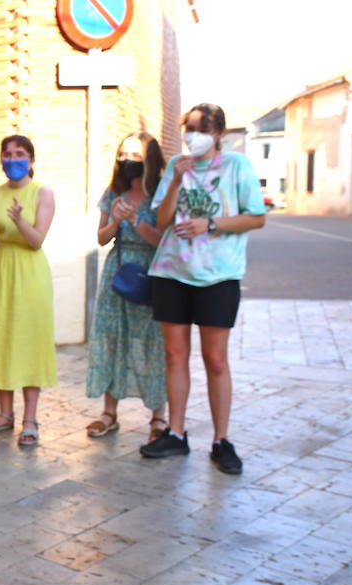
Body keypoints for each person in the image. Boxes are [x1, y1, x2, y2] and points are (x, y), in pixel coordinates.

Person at [139, 104, 267, 474]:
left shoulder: (236, 166)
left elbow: (256, 217)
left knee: (215, 360)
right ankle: (176, 435)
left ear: (218, 134)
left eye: (200, 129)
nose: (191, 135)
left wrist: (210, 224)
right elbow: (162, 221)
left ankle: (221, 440)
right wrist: (176, 180)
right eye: (188, 128)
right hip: (171, 272)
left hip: (218, 275)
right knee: (175, 356)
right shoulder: (177, 165)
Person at [0, 135, 57, 446]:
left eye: (20, 154)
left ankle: (30, 418)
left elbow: (36, 241)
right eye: (7, 153)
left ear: (31, 160)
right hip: (0, 272)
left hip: (31, 275)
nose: (12, 158)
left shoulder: (42, 194)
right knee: (2, 339)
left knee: (30, 342)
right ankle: (4, 415)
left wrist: (19, 221)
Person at [86, 132, 169, 442]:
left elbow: (162, 240)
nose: (127, 161)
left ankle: (158, 418)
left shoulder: (162, 194)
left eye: (135, 155)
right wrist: (116, 222)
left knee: (151, 343)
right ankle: (109, 413)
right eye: (123, 154)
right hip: (117, 272)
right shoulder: (114, 191)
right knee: (112, 338)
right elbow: (101, 237)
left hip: (151, 272)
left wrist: (135, 220)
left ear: (150, 159)